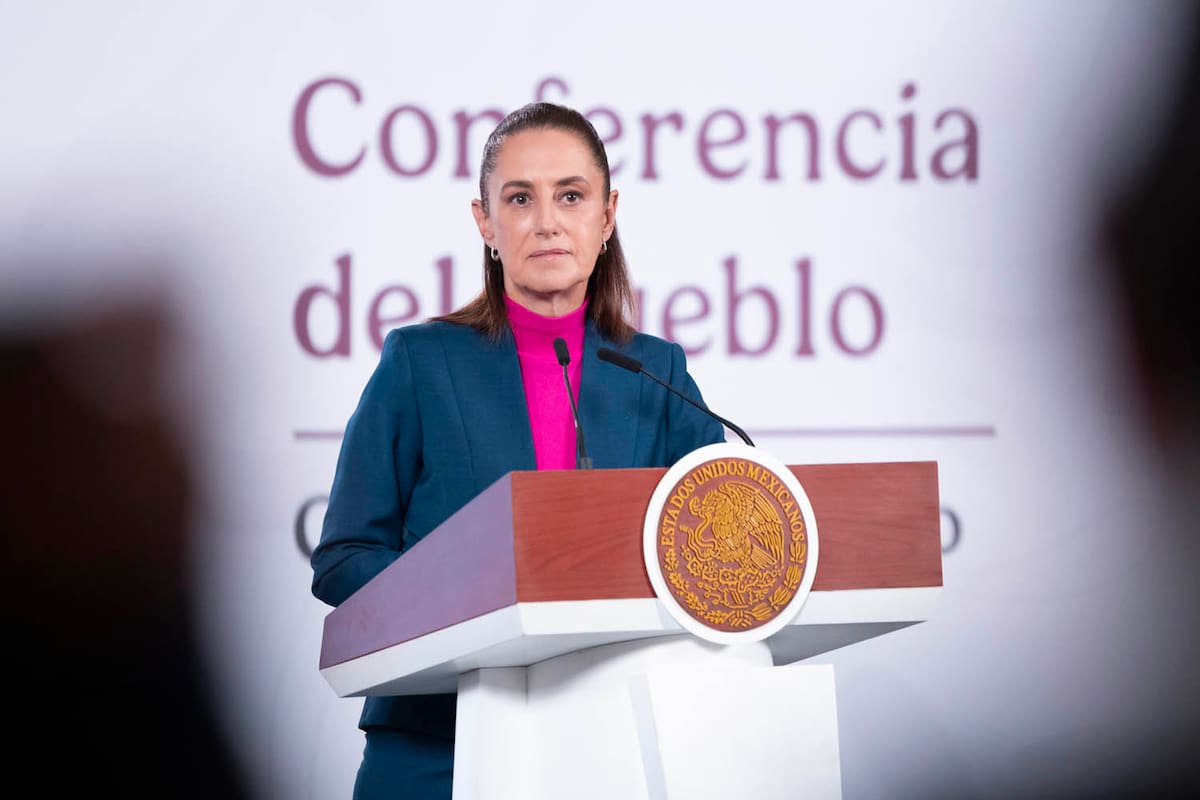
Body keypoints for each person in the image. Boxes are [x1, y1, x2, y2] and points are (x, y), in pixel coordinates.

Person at [309, 102, 726, 799]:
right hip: (437, 741)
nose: (547, 221)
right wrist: (469, 611)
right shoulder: (419, 361)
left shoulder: (658, 373)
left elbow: (717, 551)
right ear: (485, 222)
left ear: (607, 214)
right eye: (520, 198)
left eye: (571, 195)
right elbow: (345, 556)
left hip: (613, 741)